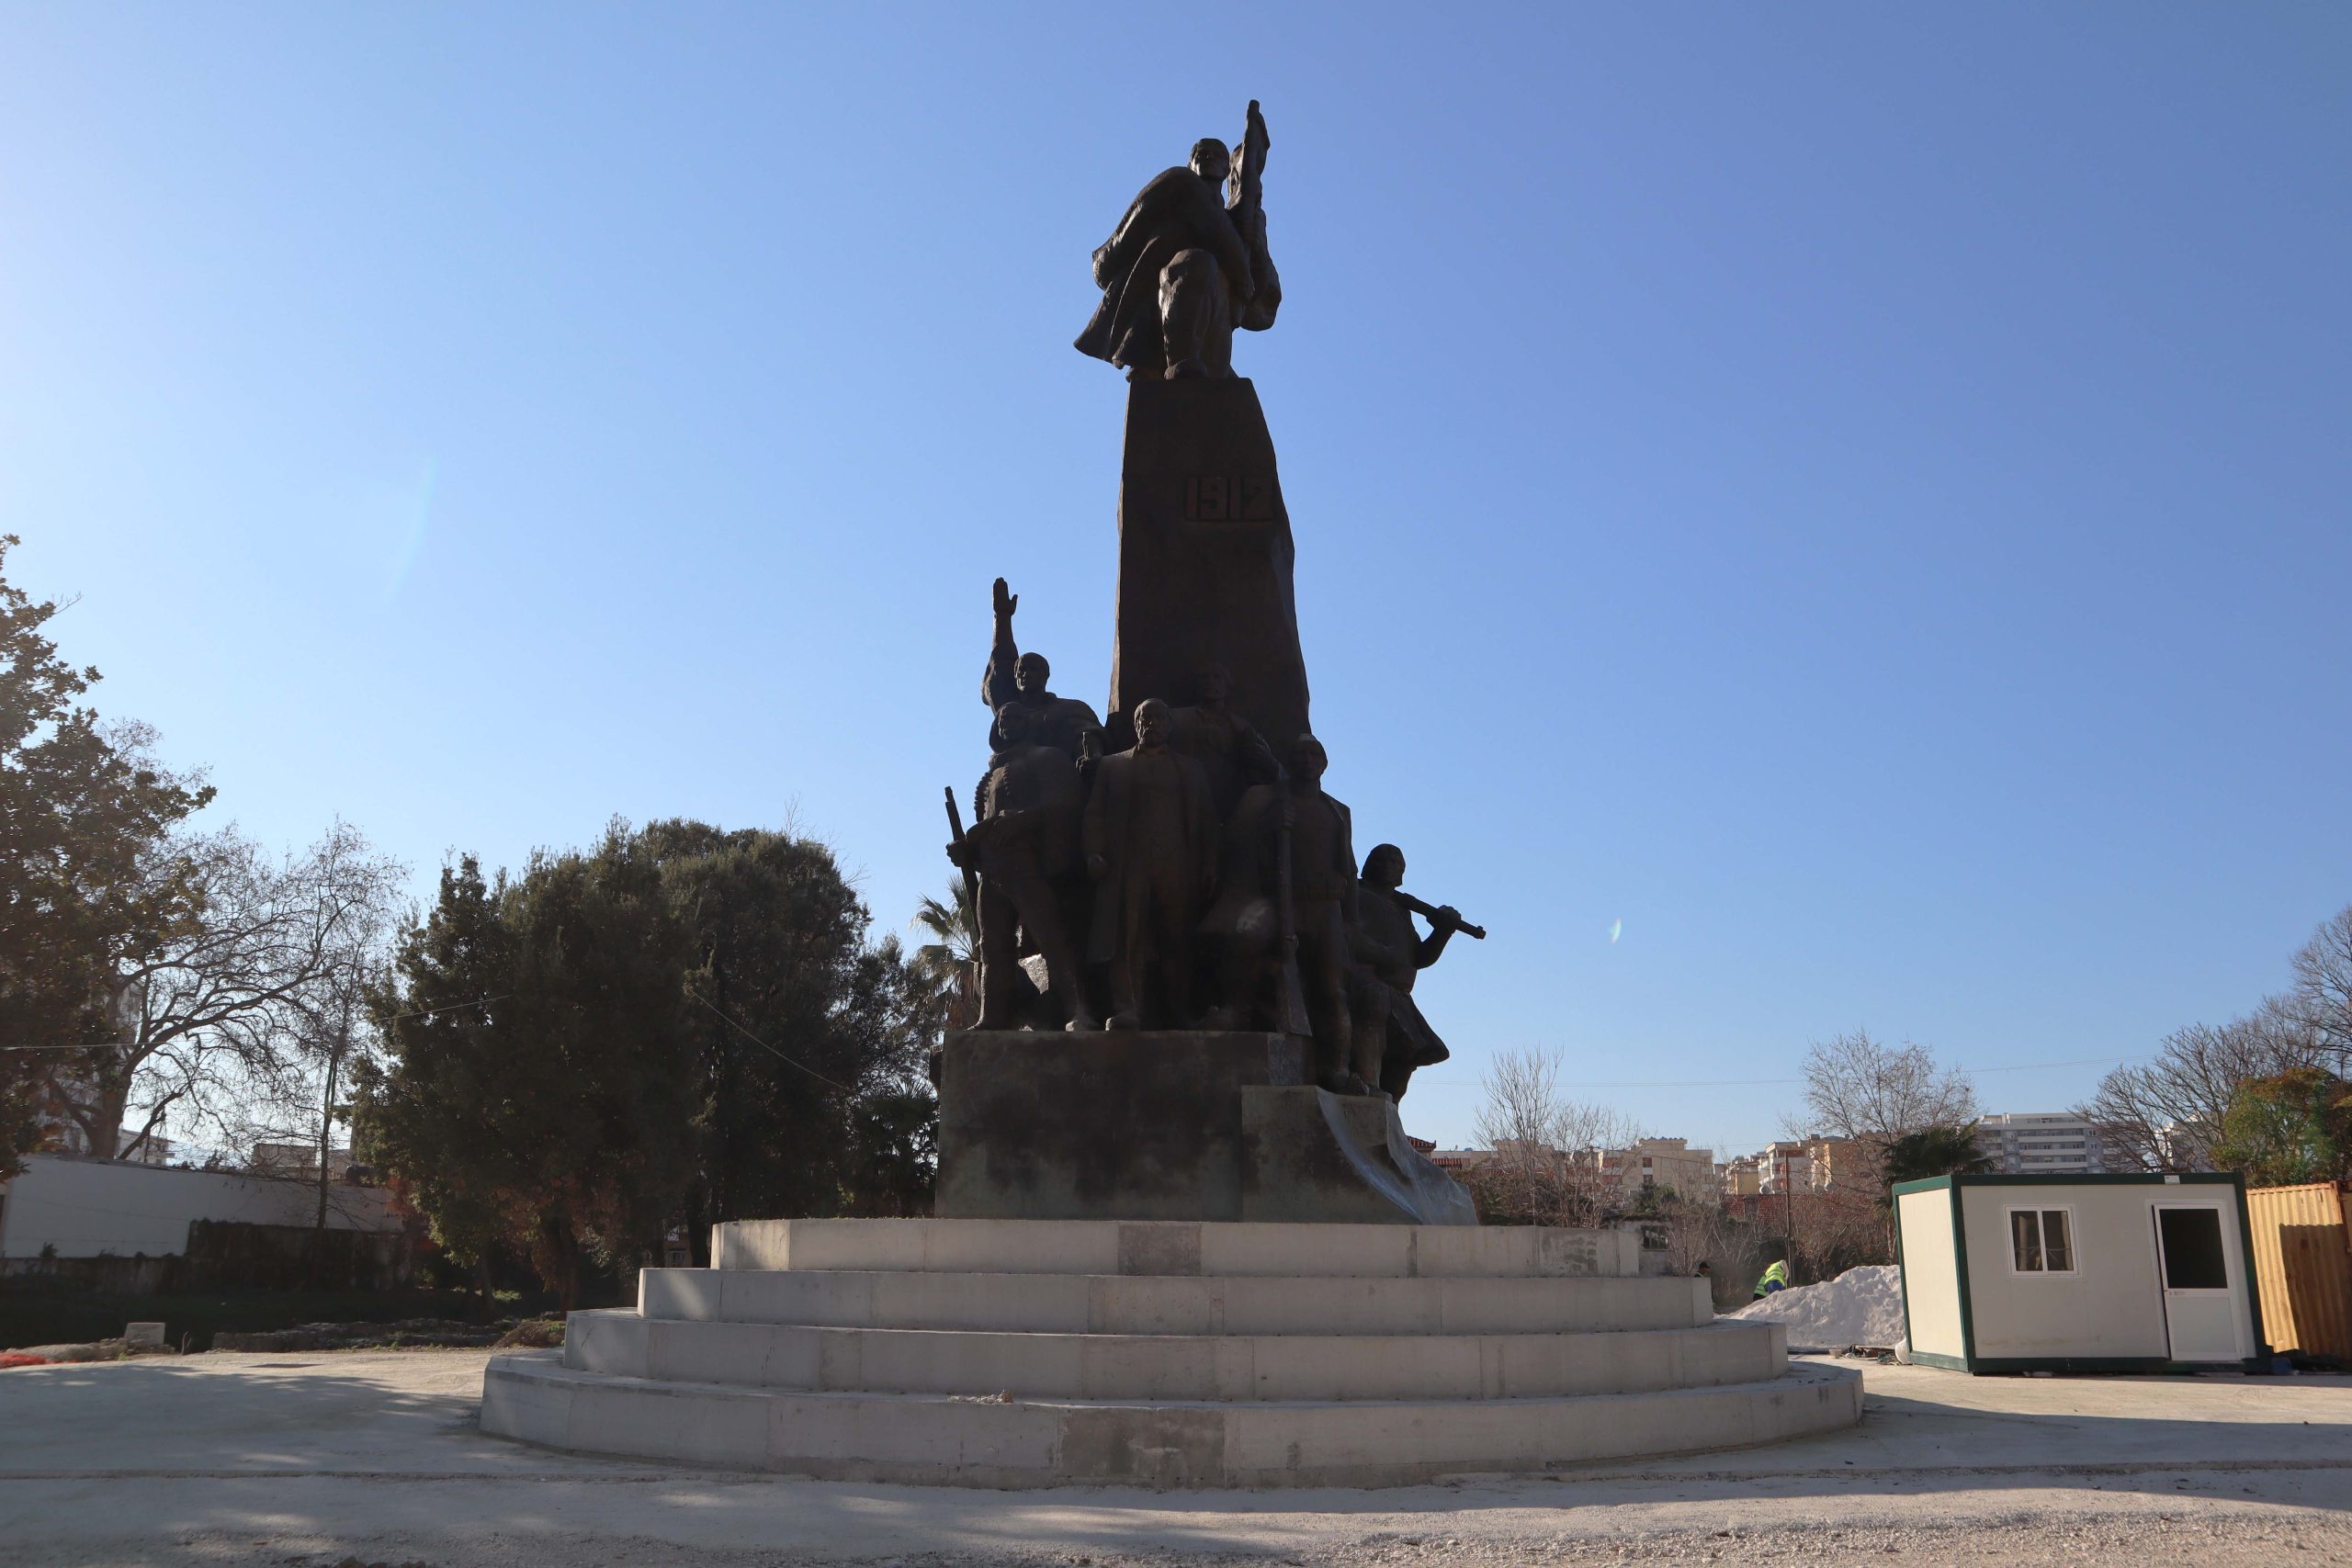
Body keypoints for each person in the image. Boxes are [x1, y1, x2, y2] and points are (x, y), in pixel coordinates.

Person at [1074, 102, 1281, 382]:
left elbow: (1260, 307)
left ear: (1227, 168)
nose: (1208, 157)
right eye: (1200, 153)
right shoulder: (1180, 183)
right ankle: (1179, 364)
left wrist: (1254, 245)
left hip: (1215, 335)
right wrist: (1240, 267)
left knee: (1207, 267)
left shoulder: (1241, 224)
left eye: (1217, 154)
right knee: (1195, 262)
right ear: (1191, 163)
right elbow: (1105, 266)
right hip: (1168, 326)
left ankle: (1203, 377)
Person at [948, 704, 1096, 1032]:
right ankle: (992, 1016)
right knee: (993, 945)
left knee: (1052, 939)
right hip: (992, 871)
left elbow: (1068, 806)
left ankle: (1078, 1011)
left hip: (1027, 865)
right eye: (1002, 719)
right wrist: (967, 850)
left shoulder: (1047, 758)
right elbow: (986, 826)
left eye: (1015, 718)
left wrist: (1024, 821)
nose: (1007, 724)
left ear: (1028, 723)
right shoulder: (992, 773)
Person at [1083, 697, 1217, 1029]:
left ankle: (1179, 1010)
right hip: (1128, 866)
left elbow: (1207, 823)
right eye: (1144, 718)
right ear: (1135, 725)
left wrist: (1209, 865)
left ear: (1170, 725)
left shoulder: (1191, 769)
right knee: (1127, 939)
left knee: (1178, 939)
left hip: (1177, 865)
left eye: (1158, 717)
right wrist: (1093, 853)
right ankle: (1128, 1008)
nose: (1150, 723)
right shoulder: (1113, 766)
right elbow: (1094, 814)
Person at [1346, 842, 1462, 1103]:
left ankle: (1389, 1110)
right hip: (1364, 984)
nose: (1388, 866)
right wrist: (1383, 954)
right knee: (1374, 1002)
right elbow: (1347, 937)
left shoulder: (1401, 909)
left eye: (1395, 863)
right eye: (1382, 860)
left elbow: (1418, 957)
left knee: (1406, 1057)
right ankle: (1367, 1085)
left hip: (1399, 995)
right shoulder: (1356, 895)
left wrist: (1443, 932)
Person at [981, 578, 1102, 760]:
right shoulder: (1009, 709)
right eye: (1021, 670)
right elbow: (1002, 662)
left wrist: (1090, 756)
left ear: (1046, 676)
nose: (1025, 674)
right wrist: (1002, 616)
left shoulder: (1069, 710)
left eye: (1033, 669)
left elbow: (1092, 740)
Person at [1165, 660, 1280, 820]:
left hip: (1228, 806)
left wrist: (1270, 765)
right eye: (1204, 678)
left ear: (1228, 686)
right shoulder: (1176, 719)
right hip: (1185, 802)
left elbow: (1259, 773)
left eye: (1217, 677)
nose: (1210, 682)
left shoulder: (1242, 727)